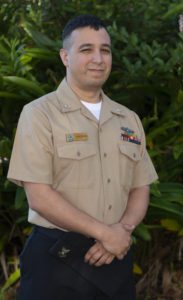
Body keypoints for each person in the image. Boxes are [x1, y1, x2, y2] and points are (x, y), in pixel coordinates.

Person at [7, 14, 158, 300]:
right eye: (86, 49)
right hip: (57, 259)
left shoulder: (128, 119)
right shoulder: (39, 114)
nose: (98, 59)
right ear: (65, 56)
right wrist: (106, 233)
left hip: (115, 257)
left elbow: (141, 186)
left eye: (105, 50)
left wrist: (121, 232)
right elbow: (38, 195)